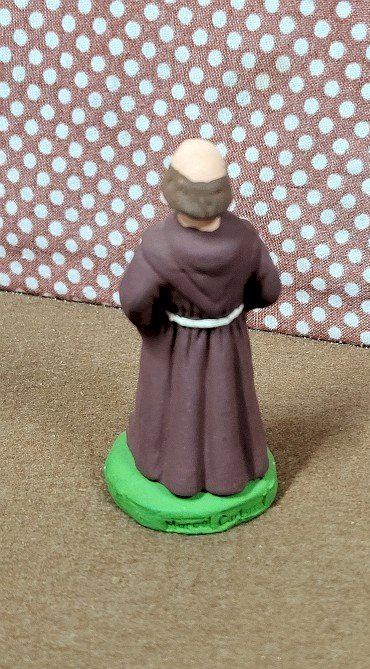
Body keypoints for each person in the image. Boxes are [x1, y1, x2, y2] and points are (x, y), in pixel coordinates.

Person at [119, 138, 281, 497]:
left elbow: (135, 300)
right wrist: (233, 311)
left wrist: (155, 328)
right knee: (227, 400)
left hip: (175, 341)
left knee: (174, 400)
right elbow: (269, 289)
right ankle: (233, 467)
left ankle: (171, 468)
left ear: (172, 188)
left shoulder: (158, 245)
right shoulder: (246, 238)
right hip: (228, 339)